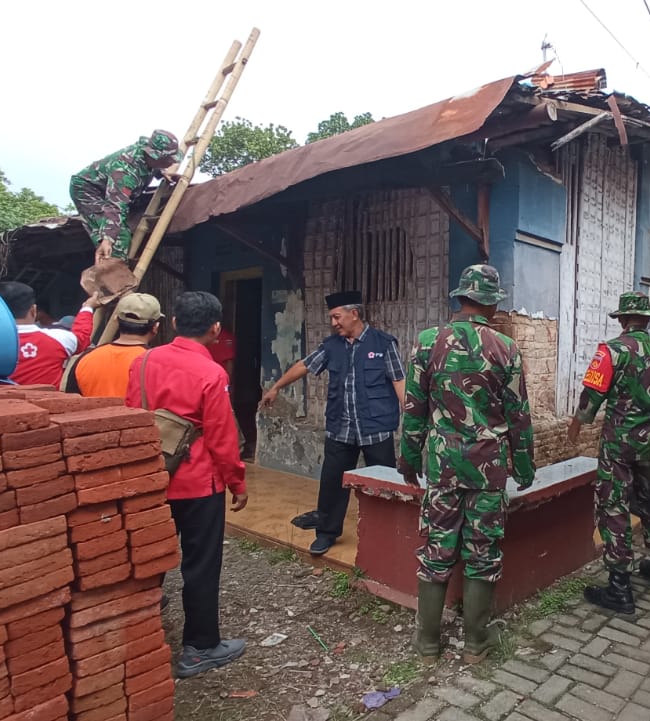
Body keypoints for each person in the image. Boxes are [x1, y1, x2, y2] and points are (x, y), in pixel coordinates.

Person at [398, 264, 535, 665]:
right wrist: (524, 468)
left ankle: (426, 644)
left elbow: (414, 412)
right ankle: (476, 643)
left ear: (460, 298)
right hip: (489, 469)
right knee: (483, 550)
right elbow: (518, 416)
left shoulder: (426, 343)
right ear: (492, 304)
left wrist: (409, 461)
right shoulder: (505, 349)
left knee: (437, 547)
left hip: (442, 466)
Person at [124, 291, 248, 678]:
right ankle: (200, 647)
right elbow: (222, 437)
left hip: (153, 477)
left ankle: (135, 638)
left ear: (173, 322)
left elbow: (133, 417)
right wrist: (237, 482)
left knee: (149, 561)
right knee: (200, 565)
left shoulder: (143, 362)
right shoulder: (213, 373)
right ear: (215, 329)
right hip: (198, 483)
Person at [260, 291, 405, 556]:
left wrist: (412, 415)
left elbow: (398, 380)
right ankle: (326, 533)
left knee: (384, 486)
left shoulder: (383, 343)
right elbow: (305, 365)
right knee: (331, 484)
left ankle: (386, 536)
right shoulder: (331, 346)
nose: (334, 323)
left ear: (354, 314)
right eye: (331, 318)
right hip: (340, 429)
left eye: (337, 317)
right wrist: (276, 387)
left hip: (376, 428)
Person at [568, 292, 650, 613]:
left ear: (622, 319)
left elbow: (592, 396)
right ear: (647, 318)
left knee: (614, 507)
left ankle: (620, 587)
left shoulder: (612, 351)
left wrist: (575, 427)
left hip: (618, 445)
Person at [69, 130, 182, 264]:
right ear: (155, 156)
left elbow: (148, 167)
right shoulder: (125, 172)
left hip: (113, 192)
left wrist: (161, 173)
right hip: (87, 190)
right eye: (168, 160)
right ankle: (113, 277)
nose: (171, 163)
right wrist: (108, 240)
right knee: (119, 237)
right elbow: (115, 206)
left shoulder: (147, 159)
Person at [0, 281, 97, 387]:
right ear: (33, 310)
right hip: (48, 402)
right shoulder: (59, 339)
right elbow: (82, 337)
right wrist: (87, 308)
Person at [68, 293, 162, 398]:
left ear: (116, 320)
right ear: (155, 327)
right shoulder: (158, 364)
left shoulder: (85, 359)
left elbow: (71, 403)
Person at [209, 326, 258, 461]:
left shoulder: (225, 338)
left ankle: (239, 446)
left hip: (220, 383)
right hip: (208, 382)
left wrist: (228, 384)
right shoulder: (204, 336)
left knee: (228, 414)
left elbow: (229, 362)